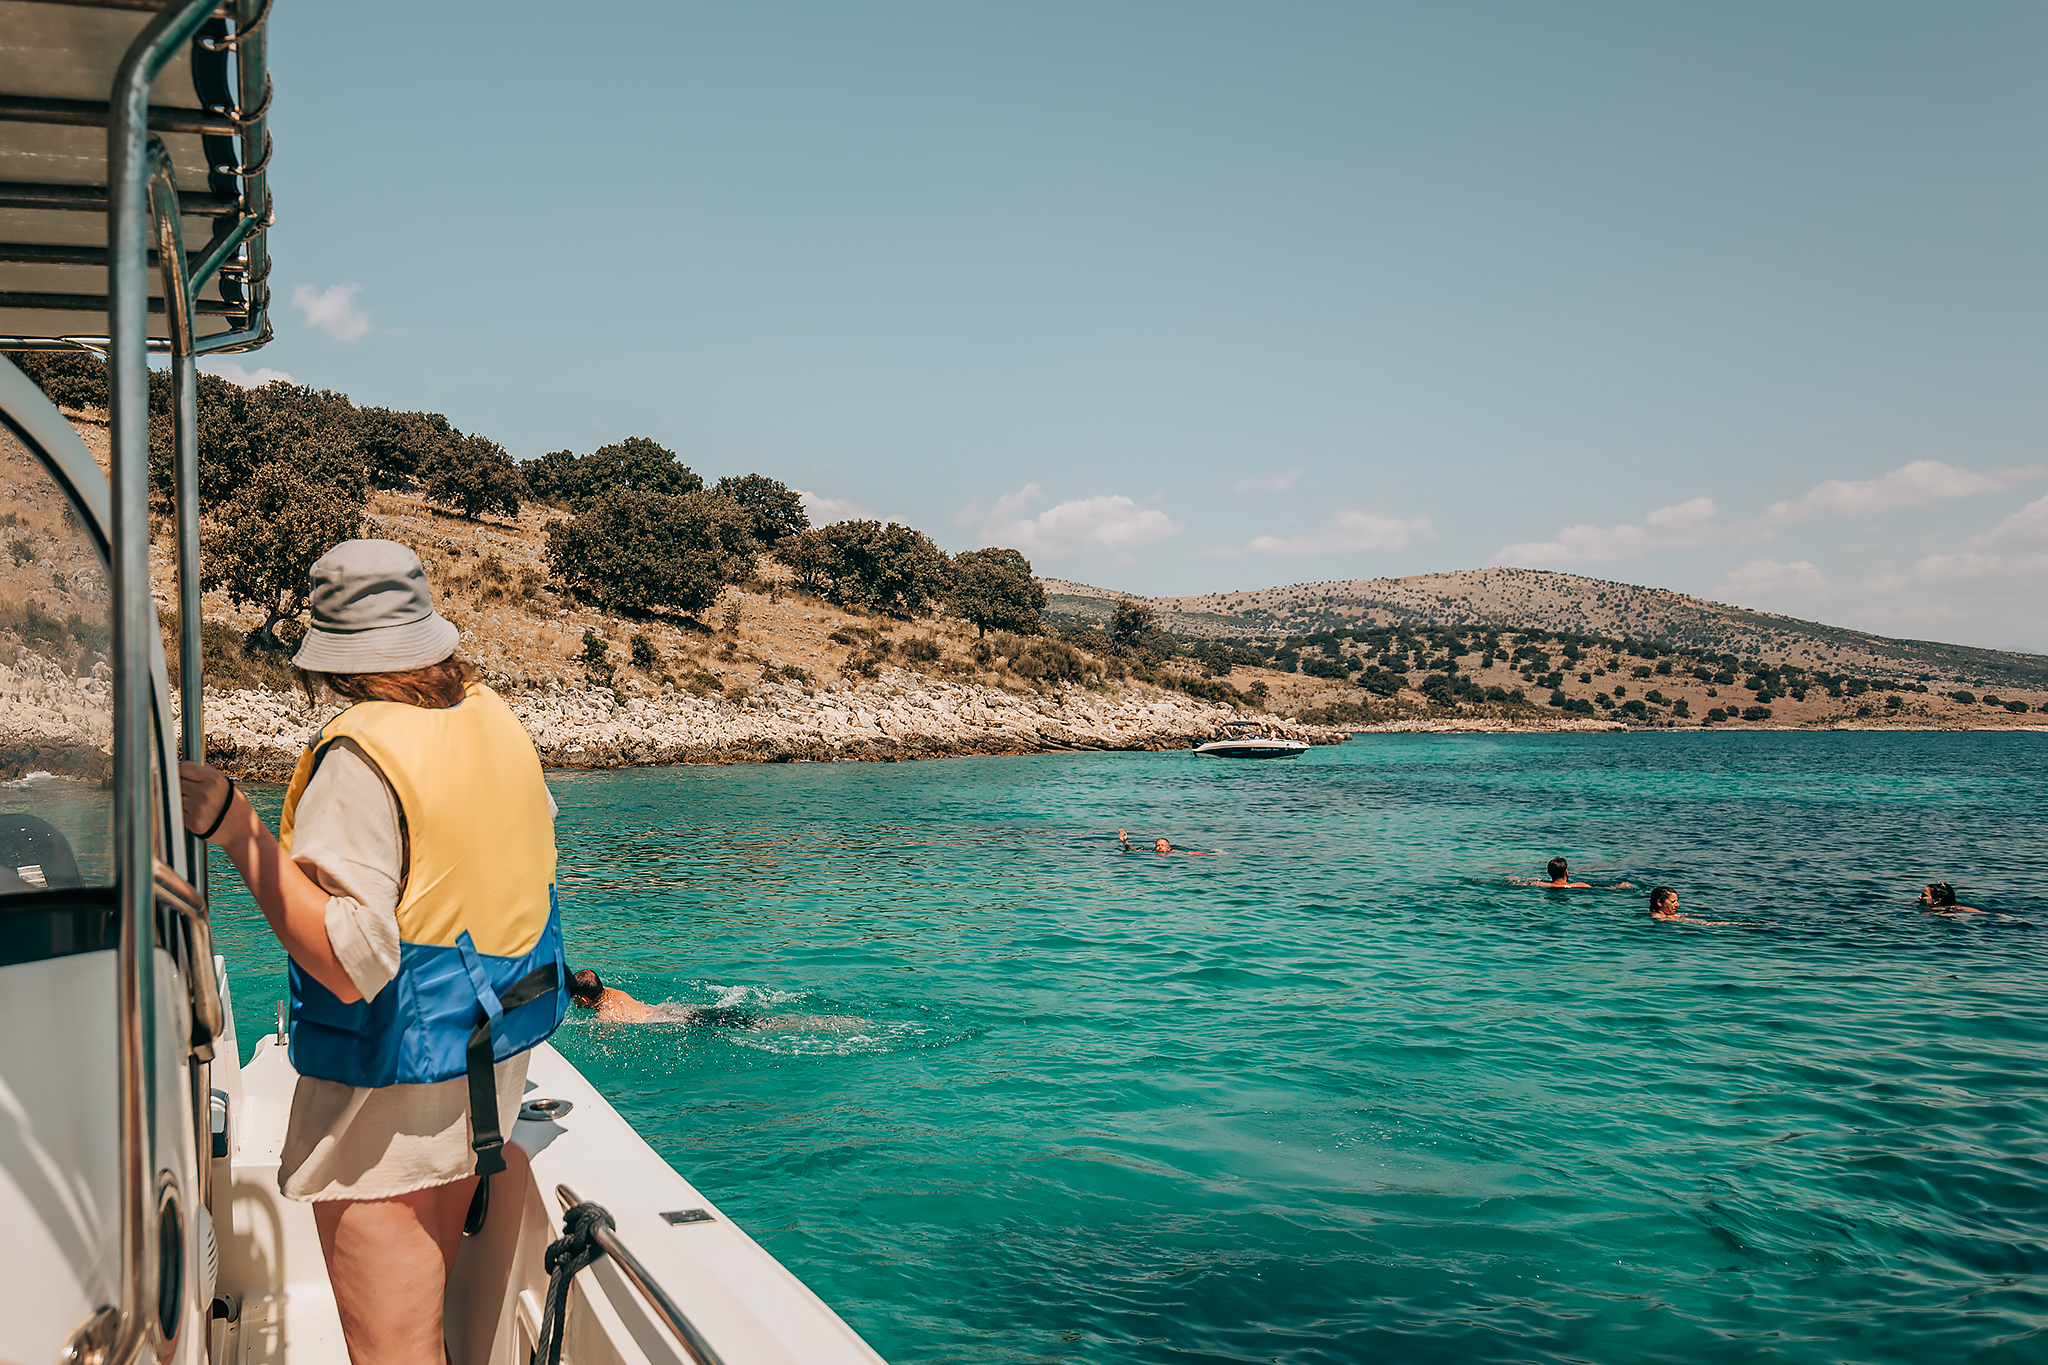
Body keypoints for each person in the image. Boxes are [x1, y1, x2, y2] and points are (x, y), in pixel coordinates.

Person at [179, 539, 565, 1364]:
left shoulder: (359, 757)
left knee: (394, 1349)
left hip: (392, 1090)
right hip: (487, 1061)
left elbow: (350, 963)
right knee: (420, 1329)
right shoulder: (493, 716)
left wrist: (235, 825)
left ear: (335, 659)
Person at [569, 968, 767, 1029]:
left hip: (673, 1021)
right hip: (671, 1010)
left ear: (585, 1000)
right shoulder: (608, 992)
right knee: (745, 1021)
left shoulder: (606, 1013)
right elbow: (589, 981)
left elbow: (605, 1037)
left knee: (743, 1025)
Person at [1917, 882, 1982, 914]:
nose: (1919, 897)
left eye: (1924, 895)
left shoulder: (1948, 912)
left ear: (1937, 901)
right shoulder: (1918, 905)